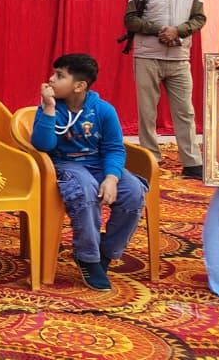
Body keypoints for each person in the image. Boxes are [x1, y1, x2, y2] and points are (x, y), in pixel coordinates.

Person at [30, 53, 145, 291]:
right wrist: (49, 109)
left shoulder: (104, 111)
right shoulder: (49, 108)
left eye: (59, 76)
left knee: (133, 192)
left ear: (79, 86)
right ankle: (88, 257)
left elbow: (114, 148)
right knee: (85, 190)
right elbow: (43, 145)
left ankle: (106, 252)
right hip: (65, 165)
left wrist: (112, 178)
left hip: (98, 165)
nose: (51, 79)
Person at [124, 0, 206, 179]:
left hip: (179, 59)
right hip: (148, 57)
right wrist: (160, 30)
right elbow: (130, 20)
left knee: (185, 112)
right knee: (147, 112)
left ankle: (192, 162)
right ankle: (151, 159)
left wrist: (178, 31)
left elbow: (199, 18)